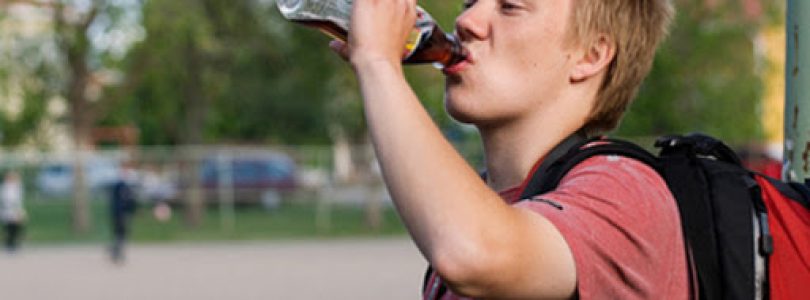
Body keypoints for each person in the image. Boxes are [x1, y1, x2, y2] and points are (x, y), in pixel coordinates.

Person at [329, 0, 685, 298]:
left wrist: (378, 62)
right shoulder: (476, 209)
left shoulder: (626, 191)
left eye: (509, 6)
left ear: (590, 55)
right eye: (470, 2)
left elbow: (473, 253)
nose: (466, 21)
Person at [108, 163, 138, 264]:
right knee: (120, 234)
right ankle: (117, 252)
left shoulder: (128, 186)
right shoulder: (119, 186)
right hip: (119, 214)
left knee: (123, 235)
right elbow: (119, 202)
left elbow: (131, 202)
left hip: (125, 213)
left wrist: (133, 210)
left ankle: (117, 251)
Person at [1, 171, 26, 253]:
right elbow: (6, 199)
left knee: (17, 227)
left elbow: (19, 200)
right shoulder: (4, 187)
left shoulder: (17, 187)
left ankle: (15, 243)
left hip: (16, 209)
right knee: (9, 227)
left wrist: (19, 210)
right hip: (8, 210)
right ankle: (9, 244)